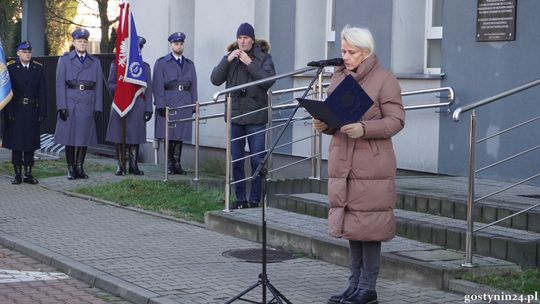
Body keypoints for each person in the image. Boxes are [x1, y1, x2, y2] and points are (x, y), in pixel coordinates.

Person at [313, 26, 405, 304]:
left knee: (370, 228)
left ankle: (368, 288)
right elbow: (337, 117)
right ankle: (353, 285)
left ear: (366, 52)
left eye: (351, 52)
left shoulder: (384, 79)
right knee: (352, 226)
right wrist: (325, 124)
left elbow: (396, 120)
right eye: (343, 51)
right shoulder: (340, 78)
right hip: (344, 162)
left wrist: (364, 129)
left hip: (371, 166)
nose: (345, 57)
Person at [210, 22, 276, 209]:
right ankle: (240, 199)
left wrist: (250, 63)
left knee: (257, 160)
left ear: (252, 39)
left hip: (255, 117)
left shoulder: (264, 58)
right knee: (236, 160)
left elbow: (268, 82)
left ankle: (255, 200)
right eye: (239, 38)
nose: (242, 41)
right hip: (235, 116)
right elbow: (215, 79)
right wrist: (227, 60)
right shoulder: (231, 58)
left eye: (246, 38)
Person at [54, 28, 103, 180]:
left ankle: (80, 167)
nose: (82, 44)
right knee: (70, 137)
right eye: (79, 41)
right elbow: (59, 84)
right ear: (73, 43)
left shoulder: (95, 62)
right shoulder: (65, 60)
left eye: (84, 42)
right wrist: (61, 106)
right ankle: (70, 168)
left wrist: (98, 107)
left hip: (87, 102)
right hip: (70, 101)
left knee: (83, 136)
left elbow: (99, 86)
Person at [106, 36, 153, 176]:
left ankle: (134, 165)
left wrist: (149, 108)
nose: (137, 51)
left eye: (139, 48)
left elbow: (149, 89)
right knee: (119, 135)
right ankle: (121, 165)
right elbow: (110, 85)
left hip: (138, 104)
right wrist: (123, 87)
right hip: (120, 103)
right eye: (135, 48)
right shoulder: (117, 65)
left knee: (135, 135)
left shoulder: (145, 67)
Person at [2, 41, 46, 185]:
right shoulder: (11, 69)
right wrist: (8, 113)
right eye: (24, 51)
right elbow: (7, 92)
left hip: (32, 110)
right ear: (18, 53)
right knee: (17, 144)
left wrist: (42, 112)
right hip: (16, 110)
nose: (27, 54)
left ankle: (28, 173)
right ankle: (17, 174)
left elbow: (42, 92)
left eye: (29, 51)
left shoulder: (37, 69)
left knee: (30, 143)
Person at [153, 32, 197, 175]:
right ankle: (170, 164)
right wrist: (160, 105)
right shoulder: (162, 63)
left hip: (184, 100)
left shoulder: (189, 64)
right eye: (176, 44)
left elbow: (194, 86)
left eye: (181, 44)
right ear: (171, 45)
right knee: (169, 133)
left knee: (181, 134)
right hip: (169, 100)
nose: (179, 46)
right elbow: (157, 85)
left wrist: (194, 104)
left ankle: (178, 164)